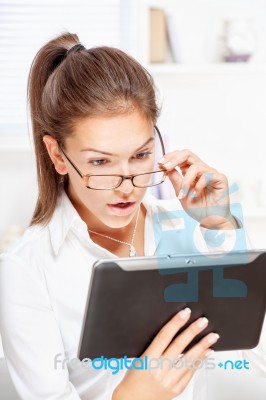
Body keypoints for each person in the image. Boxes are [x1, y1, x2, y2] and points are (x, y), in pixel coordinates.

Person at [0, 32, 265, 400]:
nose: (127, 186)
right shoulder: (28, 268)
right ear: (58, 156)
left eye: (141, 155)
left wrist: (220, 226)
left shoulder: (189, 229)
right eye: (100, 162)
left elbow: (256, 359)